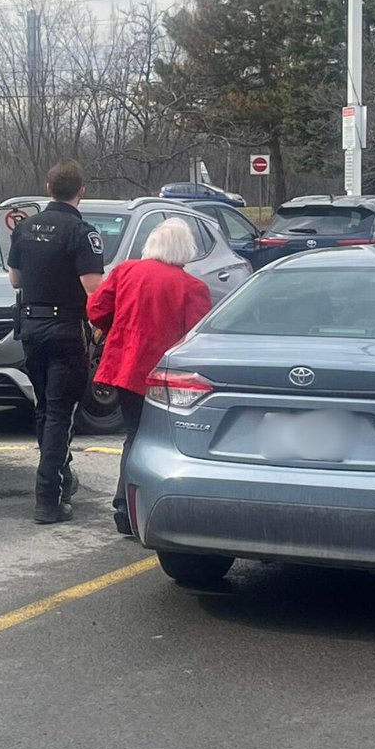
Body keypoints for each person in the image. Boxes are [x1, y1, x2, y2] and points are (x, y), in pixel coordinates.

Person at [87, 217, 212, 534]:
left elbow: (96, 310)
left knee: (133, 436)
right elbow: (195, 342)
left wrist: (115, 327)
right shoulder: (193, 288)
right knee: (160, 442)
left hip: (125, 370)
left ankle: (123, 509)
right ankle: (143, 508)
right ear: (185, 250)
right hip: (165, 380)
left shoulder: (126, 271)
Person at [7, 160, 105, 524]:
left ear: (48, 187)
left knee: (45, 410)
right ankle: (48, 498)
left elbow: (15, 281)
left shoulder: (25, 228)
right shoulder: (82, 233)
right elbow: (93, 289)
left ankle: (61, 482)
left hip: (31, 329)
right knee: (60, 414)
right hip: (66, 330)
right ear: (81, 191)